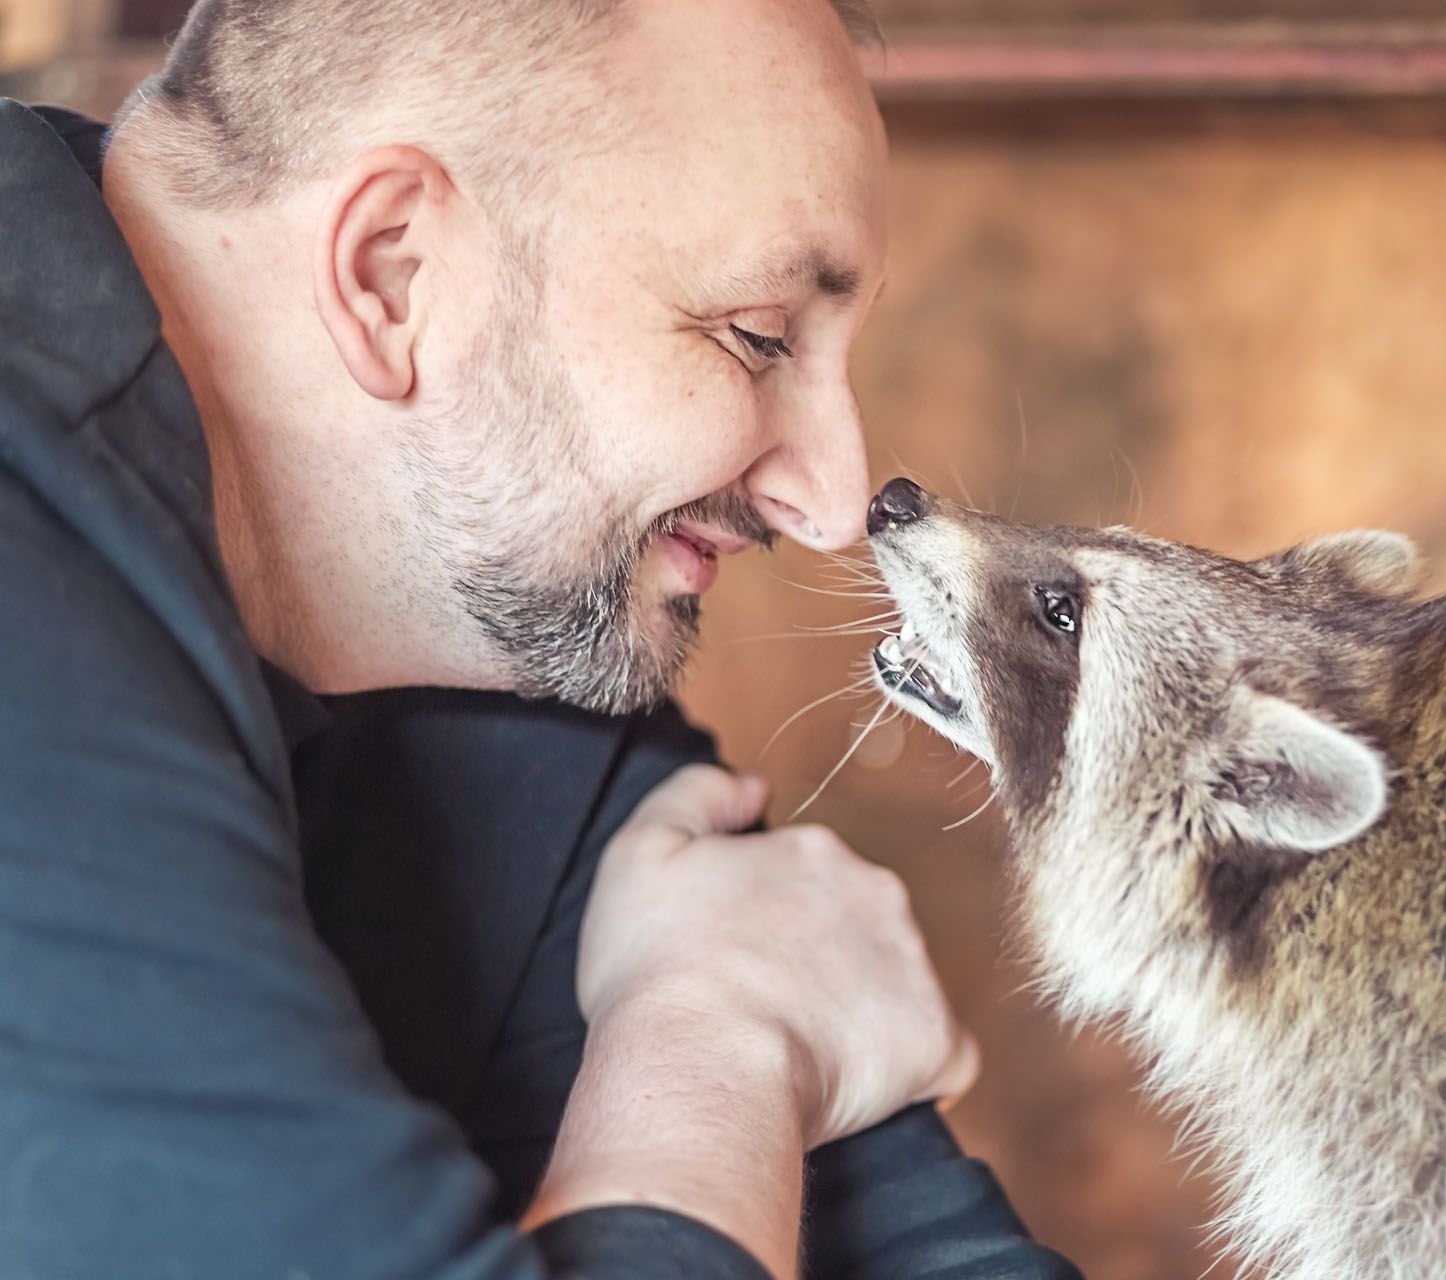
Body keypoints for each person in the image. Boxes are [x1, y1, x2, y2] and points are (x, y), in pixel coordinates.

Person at [0, 1, 1081, 1277]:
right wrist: (712, 1037)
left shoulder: (485, 621)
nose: (841, 507)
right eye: (757, 335)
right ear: (392, 272)